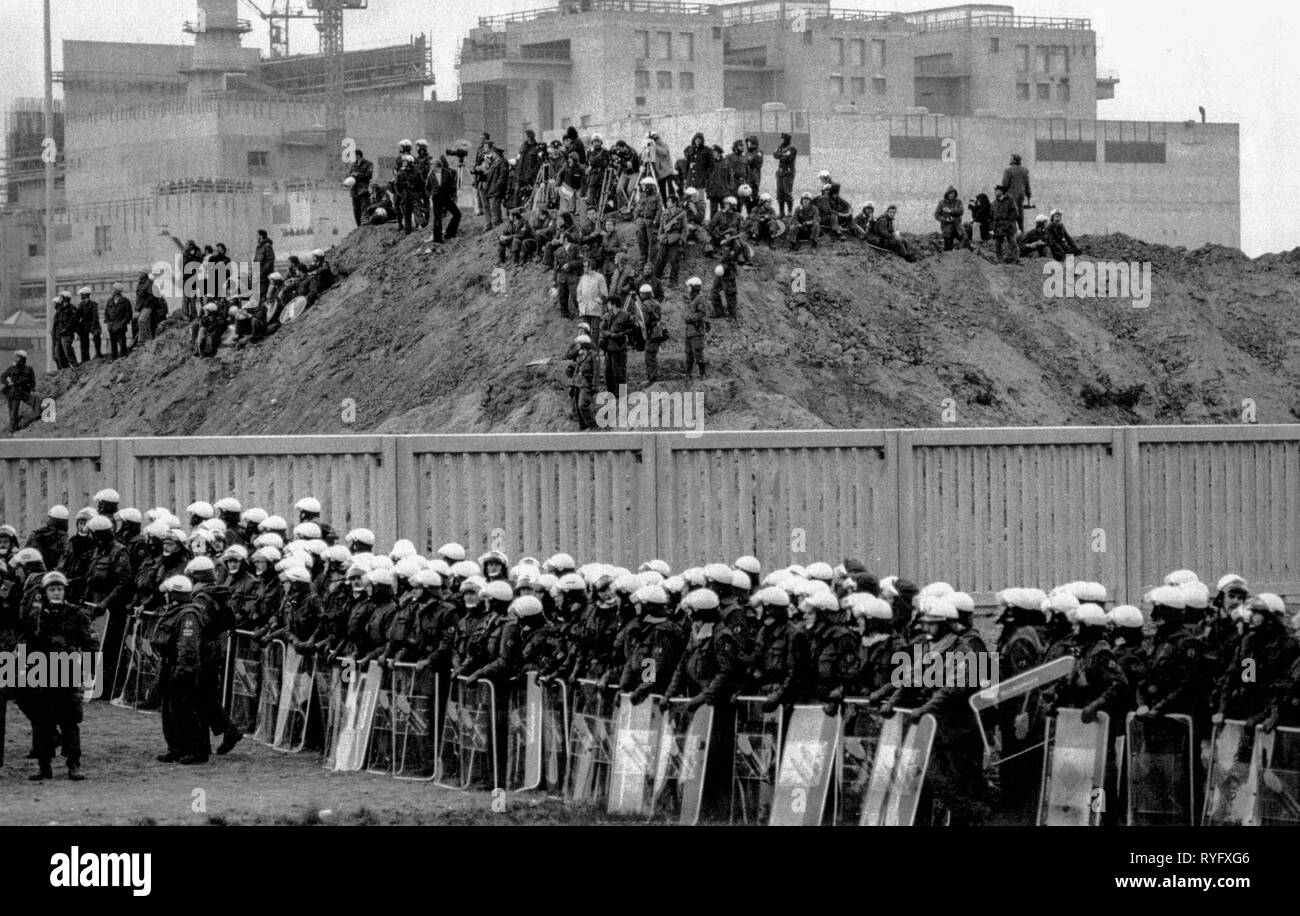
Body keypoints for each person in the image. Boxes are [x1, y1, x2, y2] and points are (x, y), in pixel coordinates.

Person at [21, 571, 95, 780]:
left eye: (59, 589)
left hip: (68, 671)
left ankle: (73, 764)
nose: (56, 593)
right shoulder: (36, 616)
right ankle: (44, 765)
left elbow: (91, 643)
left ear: (65, 591)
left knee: (69, 721)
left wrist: (87, 671)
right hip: (41, 672)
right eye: (52, 589)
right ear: (45, 592)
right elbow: (26, 641)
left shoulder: (77, 614)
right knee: (41, 721)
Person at [152, 575, 211, 764]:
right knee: (170, 711)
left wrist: (183, 669)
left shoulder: (188, 615)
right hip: (171, 664)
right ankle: (176, 748)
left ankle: (196, 751)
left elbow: (188, 646)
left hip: (182, 667)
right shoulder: (176, 611)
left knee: (185, 709)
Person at [600, 295, 634, 394]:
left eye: (609, 303)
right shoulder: (607, 316)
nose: (607, 305)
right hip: (608, 348)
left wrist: (621, 334)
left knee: (620, 373)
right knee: (608, 373)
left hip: (620, 348)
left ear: (613, 304)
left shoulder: (626, 315)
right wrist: (610, 334)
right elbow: (602, 329)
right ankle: (611, 393)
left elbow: (632, 329)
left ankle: (622, 394)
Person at [2, 350, 41, 432]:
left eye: (18, 357)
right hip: (14, 392)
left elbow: (32, 381)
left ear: (23, 359)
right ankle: (13, 430)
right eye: (16, 357)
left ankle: (23, 419)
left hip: (25, 392)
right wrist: (8, 383)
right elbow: (2, 377)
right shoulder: (11, 368)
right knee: (13, 413)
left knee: (37, 406)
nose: (16, 359)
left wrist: (32, 390)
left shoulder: (29, 369)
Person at [653, 195, 688, 284]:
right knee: (660, 259)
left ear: (674, 203)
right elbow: (661, 227)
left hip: (675, 239)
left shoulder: (681, 213)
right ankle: (655, 278)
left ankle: (673, 281)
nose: (667, 203)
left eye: (669, 201)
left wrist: (682, 239)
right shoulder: (665, 212)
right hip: (665, 239)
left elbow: (685, 228)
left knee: (674, 260)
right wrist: (659, 236)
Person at [428, 154, 462, 243]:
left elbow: (453, 185)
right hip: (436, 198)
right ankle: (437, 238)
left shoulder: (447, 173)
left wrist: (453, 196)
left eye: (432, 164)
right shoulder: (430, 175)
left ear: (437, 165)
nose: (430, 166)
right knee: (437, 218)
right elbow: (427, 187)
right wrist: (431, 194)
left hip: (446, 197)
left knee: (457, 214)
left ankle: (450, 232)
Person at [570, 334, 599, 430]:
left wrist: (595, 385)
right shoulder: (580, 354)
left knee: (582, 405)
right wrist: (572, 383)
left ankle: (593, 425)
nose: (577, 346)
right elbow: (576, 369)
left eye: (579, 344)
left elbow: (596, 372)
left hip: (586, 383)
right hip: (577, 382)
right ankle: (582, 426)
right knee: (577, 408)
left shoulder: (593, 355)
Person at [639, 284, 667, 384]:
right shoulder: (656, 303)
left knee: (649, 356)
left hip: (652, 332)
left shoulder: (645, 305)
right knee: (652, 355)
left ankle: (652, 378)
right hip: (658, 331)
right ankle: (652, 377)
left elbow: (645, 321)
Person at [682, 277, 708, 380]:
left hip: (696, 331)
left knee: (698, 353)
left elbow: (702, 313)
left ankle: (702, 373)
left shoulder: (700, 298)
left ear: (694, 287)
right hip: (689, 331)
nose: (688, 289)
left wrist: (690, 318)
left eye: (689, 287)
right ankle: (688, 373)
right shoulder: (693, 298)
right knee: (688, 353)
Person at [633, 176, 662, 264]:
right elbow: (638, 207)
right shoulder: (642, 195)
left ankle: (652, 262)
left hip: (650, 222)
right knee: (641, 240)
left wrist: (655, 221)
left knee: (652, 242)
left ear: (649, 186)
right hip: (641, 221)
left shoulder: (657, 196)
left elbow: (659, 210)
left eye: (644, 185)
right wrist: (636, 218)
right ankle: (643, 258)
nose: (643, 187)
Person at [1001, 153, 1032, 230]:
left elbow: (1005, 184)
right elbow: (1027, 184)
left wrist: (1003, 193)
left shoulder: (1008, 171)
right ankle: (1022, 230)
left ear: (1014, 160)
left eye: (1011, 158)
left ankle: (1012, 231)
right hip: (1021, 195)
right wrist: (1028, 195)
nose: (1010, 159)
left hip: (1010, 196)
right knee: (1020, 213)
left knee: (1011, 214)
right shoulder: (1025, 170)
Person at [991, 186, 1020, 264]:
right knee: (997, 244)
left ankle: (1015, 259)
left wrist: (1008, 222)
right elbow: (992, 216)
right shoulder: (994, 203)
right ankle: (1000, 260)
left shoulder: (1010, 201)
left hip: (1009, 226)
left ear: (1001, 191)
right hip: (998, 227)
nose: (995, 192)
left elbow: (1015, 213)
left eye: (997, 191)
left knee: (1012, 242)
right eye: (995, 191)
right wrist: (993, 227)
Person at [103, 284, 132, 360]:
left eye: (113, 289)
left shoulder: (125, 301)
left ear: (117, 291)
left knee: (122, 345)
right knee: (113, 347)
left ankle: (124, 361)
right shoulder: (110, 300)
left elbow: (128, 315)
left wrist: (121, 324)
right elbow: (106, 313)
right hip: (112, 326)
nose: (112, 291)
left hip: (120, 326)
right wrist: (109, 323)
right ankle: (114, 362)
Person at [772, 133, 798, 218]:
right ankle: (781, 211)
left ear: (786, 140)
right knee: (780, 192)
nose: (781, 141)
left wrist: (781, 155)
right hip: (780, 173)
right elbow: (775, 155)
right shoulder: (781, 148)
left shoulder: (792, 149)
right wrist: (783, 154)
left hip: (788, 173)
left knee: (787, 192)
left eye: (782, 139)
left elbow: (788, 158)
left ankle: (790, 210)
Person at [934, 187, 967, 251]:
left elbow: (961, 211)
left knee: (965, 239)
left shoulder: (958, 202)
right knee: (948, 246)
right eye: (950, 193)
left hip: (957, 226)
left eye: (953, 193)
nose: (952, 195)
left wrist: (950, 211)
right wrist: (945, 219)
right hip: (947, 227)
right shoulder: (942, 203)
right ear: (947, 194)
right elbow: (937, 215)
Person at [347, 148, 374, 227]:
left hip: (363, 190)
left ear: (358, 156)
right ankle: (358, 226)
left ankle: (364, 225)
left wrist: (357, 175)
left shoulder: (368, 164)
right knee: (356, 209)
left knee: (364, 208)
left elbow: (369, 176)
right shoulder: (353, 165)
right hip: (354, 190)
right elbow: (350, 174)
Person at [75, 287, 102, 362]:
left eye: (82, 295)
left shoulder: (93, 304)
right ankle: (85, 359)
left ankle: (98, 353)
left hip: (92, 324)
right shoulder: (81, 305)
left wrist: (94, 326)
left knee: (96, 335)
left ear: (86, 295)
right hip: (84, 325)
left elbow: (95, 317)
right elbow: (77, 316)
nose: (81, 297)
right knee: (83, 341)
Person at [254, 230, 276, 303]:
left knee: (265, 294)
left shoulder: (267, 246)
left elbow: (270, 260)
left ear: (261, 236)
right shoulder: (258, 248)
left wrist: (263, 271)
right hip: (259, 275)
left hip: (265, 276)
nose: (256, 237)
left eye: (257, 235)